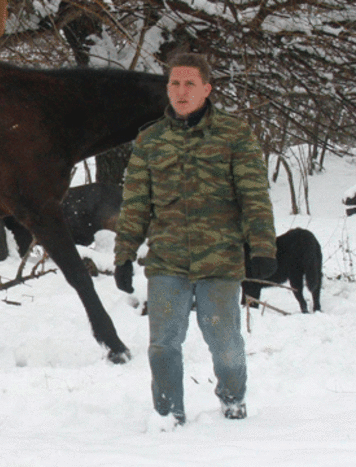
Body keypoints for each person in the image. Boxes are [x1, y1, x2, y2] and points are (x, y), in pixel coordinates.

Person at [113, 53, 277, 426]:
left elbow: (254, 196)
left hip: (219, 259)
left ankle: (233, 400)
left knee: (225, 347)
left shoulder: (234, 135)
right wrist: (124, 254)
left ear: (207, 88)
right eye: (174, 83)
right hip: (168, 260)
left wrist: (263, 247)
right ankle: (169, 414)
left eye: (190, 84)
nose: (181, 91)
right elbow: (135, 203)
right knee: (162, 346)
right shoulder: (150, 140)